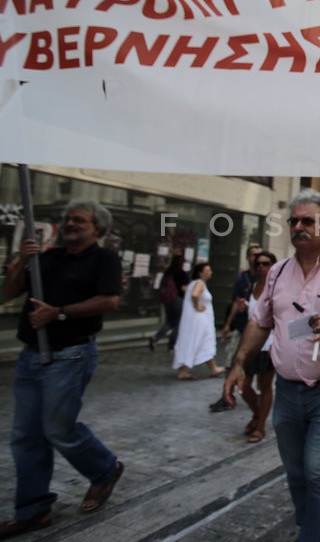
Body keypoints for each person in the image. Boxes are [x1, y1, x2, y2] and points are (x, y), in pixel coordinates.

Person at [222, 190, 320, 542]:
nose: (297, 226)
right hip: (288, 388)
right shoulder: (277, 273)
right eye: (293, 221)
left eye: (306, 221)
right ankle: (313, 526)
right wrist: (238, 364)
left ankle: (317, 536)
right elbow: (259, 321)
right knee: (296, 471)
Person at [0, 200, 125, 538]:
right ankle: (33, 510)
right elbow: (8, 293)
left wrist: (59, 313)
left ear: (97, 228)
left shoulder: (104, 259)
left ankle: (104, 469)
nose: (70, 224)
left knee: (57, 429)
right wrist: (23, 261)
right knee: (26, 436)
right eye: (67, 219)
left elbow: (110, 301)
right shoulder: (45, 257)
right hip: (31, 356)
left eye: (79, 220)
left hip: (70, 354)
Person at [223, 251, 278, 443]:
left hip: (269, 344)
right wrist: (228, 324)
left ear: (273, 266)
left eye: (266, 264)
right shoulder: (251, 286)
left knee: (265, 387)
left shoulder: (277, 287)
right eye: (259, 264)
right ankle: (256, 413)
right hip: (250, 344)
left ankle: (260, 425)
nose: (262, 267)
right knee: (244, 386)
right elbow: (242, 308)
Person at [210, 243, 263, 412]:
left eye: (261, 257)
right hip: (241, 327)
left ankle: (262, 395)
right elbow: (235, 301)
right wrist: (227, 324)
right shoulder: (242, 278)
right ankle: (227, 395)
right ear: (248, 258)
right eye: (253, 255)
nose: (258, 260)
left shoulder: (268, 278)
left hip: (262, 330)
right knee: (231, 361)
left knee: (262, 365)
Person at [172, 262, 225, 380]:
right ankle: (212, 368)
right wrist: (197, 306)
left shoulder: (193, 283)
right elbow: (195, 295)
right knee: (202, 341)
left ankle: (210, 368)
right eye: (208, 270)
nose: (210, 272)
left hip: (195, 320)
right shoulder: (199, 283)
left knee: (195, 342)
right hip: (199, 320)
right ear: (201, 273)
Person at [149, 252, 188, 351]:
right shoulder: (182, 273)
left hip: (168, 300)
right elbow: (184, 288)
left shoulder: (168, 272)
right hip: (178, 300)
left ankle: (155, 338)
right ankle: (171, 346)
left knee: (169, 321)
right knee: (178, 323)